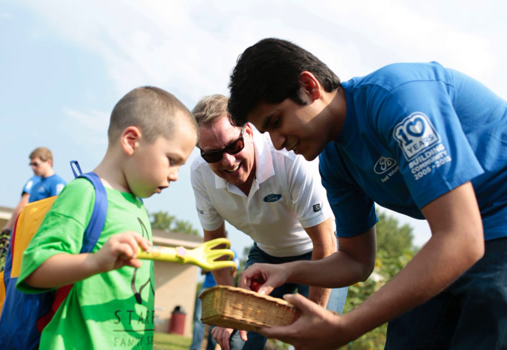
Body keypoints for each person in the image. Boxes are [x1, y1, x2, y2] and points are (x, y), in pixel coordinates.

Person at [227, 38, 507, 349]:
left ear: (309, 87)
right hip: (477, 234)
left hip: (493, 228)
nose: (277, 143)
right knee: (409, 329)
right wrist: (286, 270)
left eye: (276, 122)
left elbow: (461, 239)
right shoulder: (335, 161)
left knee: (489, 307)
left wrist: (345, 327)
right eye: (267, 133)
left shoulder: (396, 100)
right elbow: (356, 260)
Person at [15, 86, 198, 350]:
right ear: (131, 140)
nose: (175, 175)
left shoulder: (137, 205)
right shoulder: (84, 193)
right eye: (172, 160)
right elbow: (34, 270)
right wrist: (95, 262)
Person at [190, 94, 348, 350]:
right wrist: (229, 310)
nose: (228, 161)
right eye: (214, 155)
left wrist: (313, 318)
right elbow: (215, 245)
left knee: (316, 339)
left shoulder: (291, 160)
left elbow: (325, 242)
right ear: (201, 154)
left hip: (318, 254)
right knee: (235, 341)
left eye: (234, 146)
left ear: (249, 131)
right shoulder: (200, 173)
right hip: (266, 254)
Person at [0, 147, 65, 254]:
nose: (33, 168)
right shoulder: (36, 183)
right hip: (28, 233)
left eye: (36, 164)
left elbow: (57, 212)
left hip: (40, 236)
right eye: (31, 165)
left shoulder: (57, 183)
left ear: (48, 162)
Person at [190, 249, 240, 350]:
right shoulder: (210, 252)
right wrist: (214, 262)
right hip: (206, 289)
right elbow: (203, 271)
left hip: (221, 290)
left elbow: (234, 272)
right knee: (199, 320)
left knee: (217, 322)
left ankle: (212, 348)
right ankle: (195, 348)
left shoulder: (233, 253)